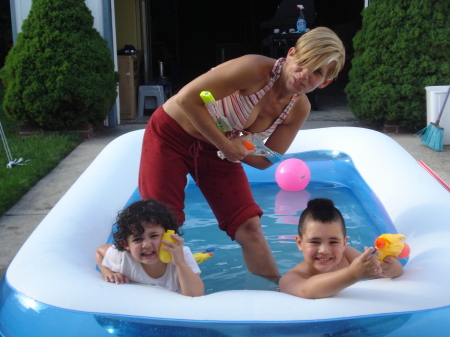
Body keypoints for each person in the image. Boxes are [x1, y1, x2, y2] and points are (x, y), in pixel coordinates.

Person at [139, 27, 345, 279]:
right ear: (291, 54)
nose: (304, 74)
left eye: (317, 72)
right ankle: (151, 289)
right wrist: (227, 144)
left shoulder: (298, 108)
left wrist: (238, 146)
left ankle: (277, 292)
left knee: (249, 227)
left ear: (325, 82)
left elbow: (266, 160)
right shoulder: (254, 69)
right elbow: (186, 99)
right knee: (159, 224)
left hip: (216, 149)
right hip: (171, 133)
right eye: (303, 62)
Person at [279, 198, 403, 299]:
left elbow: (385, 272)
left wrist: (391, 268)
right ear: (300, 243)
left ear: (344, 243)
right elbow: (308, 291)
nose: (324, 250)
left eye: (333, 242)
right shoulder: (290, 279)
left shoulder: (347, 255)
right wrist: (352, 274)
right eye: (315, 242)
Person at [95, 199, 204, 297]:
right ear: (125, 244)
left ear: (168, 235)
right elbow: (100, 252)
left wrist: (180, 263)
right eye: (137, 239)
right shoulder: (123, 258)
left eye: (154, 236)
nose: (146, 244)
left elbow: (196, 295)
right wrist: (109, 273)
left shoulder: (182, 255)